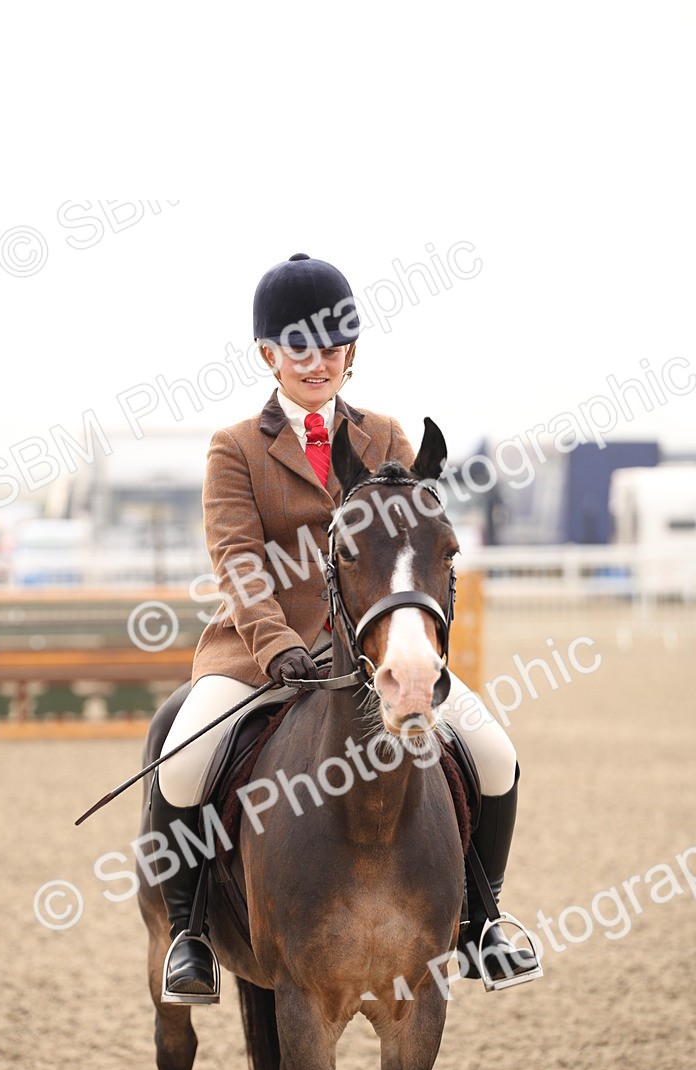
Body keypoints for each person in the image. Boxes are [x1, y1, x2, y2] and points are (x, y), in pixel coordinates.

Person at [153, 252, 539, 1001]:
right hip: (261, 654)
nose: (317, 362)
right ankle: (190, 935)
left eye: (332, 347)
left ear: (350, 353)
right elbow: (237, 561)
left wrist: (411, 639)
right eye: (299, 348)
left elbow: (416, 544)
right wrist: (278, 647)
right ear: (269, 355)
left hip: (380, 649)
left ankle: (482, 922)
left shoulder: (388, 436)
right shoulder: (234, 449)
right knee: (181, 760)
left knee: (494, 751)